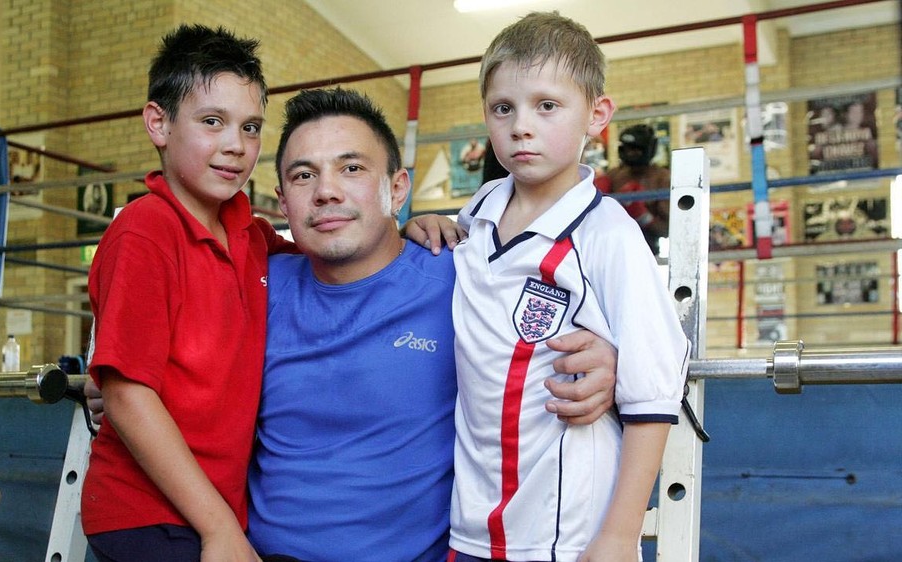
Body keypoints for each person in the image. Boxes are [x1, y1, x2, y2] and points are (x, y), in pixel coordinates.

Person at [86, 86, 621, 561]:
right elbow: (157, 354)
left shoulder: (464, 278)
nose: (326, 192)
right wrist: (104, 381)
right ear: (282, 203)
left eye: (352, 168)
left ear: (397, 189)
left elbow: (552, 338)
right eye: (304, 175)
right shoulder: (255, 282)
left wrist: (605, 364)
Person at [449, 12, 688, 562]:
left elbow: (652, 393)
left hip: (566, 530)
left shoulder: (609, 234)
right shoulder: (480, 209)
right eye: (503, 108)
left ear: (596, 115)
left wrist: (619, 535)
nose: (521, 126)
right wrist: (423, 228)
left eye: (547, 106)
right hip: (472, 521)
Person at [81, 24, 295, 562]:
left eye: (250, 127)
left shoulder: (252, 236)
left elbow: (334, 254)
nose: (236, 146)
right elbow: (127, 395)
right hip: (147, 514)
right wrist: (219, 529)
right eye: (212, 121)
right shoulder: (144, 230)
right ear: (159, 123)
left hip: (213, 511)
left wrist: (405, 234)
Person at [594, 123, 670, 255]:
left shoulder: (662, 178)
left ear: (648, 149)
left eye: (636, 149)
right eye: (628, 149)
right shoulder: (613, 176)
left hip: (648, 250)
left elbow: (668, 230)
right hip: (613, 250)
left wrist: (644, 217)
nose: (631, 154)